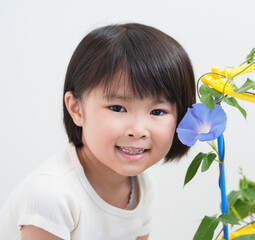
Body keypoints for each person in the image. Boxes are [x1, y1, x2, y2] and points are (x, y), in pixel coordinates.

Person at [0, 23, 195, 240]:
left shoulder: (143, 187)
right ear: (77, 109)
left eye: (157, 111)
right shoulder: (51, 195)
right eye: (118, 108)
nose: (138, 130)